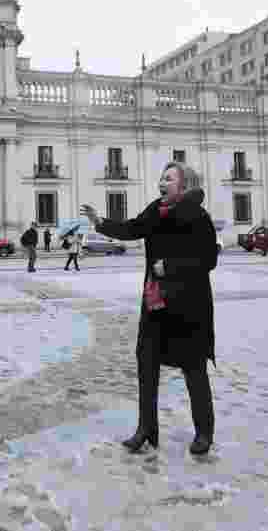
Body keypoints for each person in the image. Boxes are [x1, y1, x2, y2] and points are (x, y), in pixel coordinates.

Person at [82, 162, 218, 455]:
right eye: (161, 177)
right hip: (156, 302)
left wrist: (170, 266)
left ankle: (204, 432)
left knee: (193, 369)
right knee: (146, 363)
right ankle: (146, 429)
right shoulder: (156, 210)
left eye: (168, 178)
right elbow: (132, 228)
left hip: (188, 306)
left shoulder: (198, 216)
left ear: (184, 185)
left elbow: (208, 259)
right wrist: (100, 223)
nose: (162, 182)